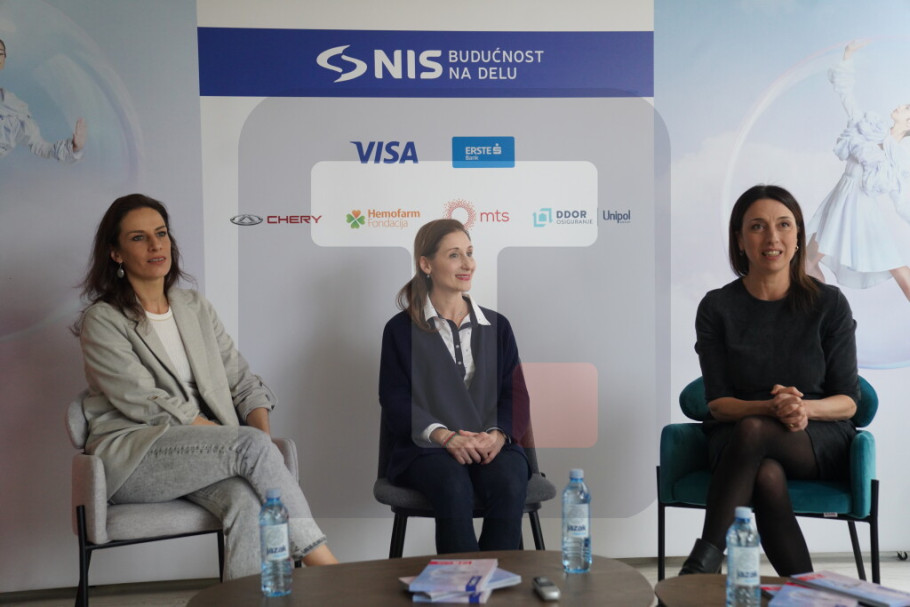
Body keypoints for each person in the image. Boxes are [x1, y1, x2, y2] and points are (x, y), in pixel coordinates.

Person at [73, 194, 336, 580]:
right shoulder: (103, 320)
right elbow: (148, 403)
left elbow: (242, 381)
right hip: (134, 459)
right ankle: (328, 570)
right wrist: (240, 443)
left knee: (247, 501)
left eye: (161, 233)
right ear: (115, 253)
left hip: (201, 454)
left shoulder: (194, 306)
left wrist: (260, 444)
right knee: (249, 447)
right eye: (138, 238)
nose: (155, 245)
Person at [680, 184, 859, 577]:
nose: (772, 237)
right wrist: (771, 407)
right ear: (740, 240)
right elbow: (718, 404)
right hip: (736, 436)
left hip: (816, 437)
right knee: (764, 470)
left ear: (798, 236)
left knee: (756, 431)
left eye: (784, 225)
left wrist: (801, 408)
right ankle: (808, 592)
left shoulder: (829, 303)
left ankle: (700, 568)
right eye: (757, 226)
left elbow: (848, 400)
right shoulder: (717, 307)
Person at [379, 219, 531, 554]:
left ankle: (495, 577)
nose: (467, 264)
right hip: (427, 449)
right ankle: (463, 581)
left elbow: (516, 395)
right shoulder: (400, 330)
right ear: (426, 264)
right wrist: (445, 436)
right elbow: (395, 399)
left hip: (491, 442)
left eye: (470, 253)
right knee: (452, 484)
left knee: (509, 481)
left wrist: (497, 435)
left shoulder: (498, 326)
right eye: (454, 255)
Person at [806, 39, 910, 301]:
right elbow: (847, 96)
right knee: (806, 264)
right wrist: (848, 55)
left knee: (897, 267)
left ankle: (825, 312)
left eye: (906, 108)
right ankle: (824, 312)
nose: (900, 106)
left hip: (859, 208)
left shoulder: (899, 158)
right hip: (840, 198)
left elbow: (901, 199)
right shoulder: (868, 127)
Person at [0, 37, 86, 162]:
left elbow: (40, 146)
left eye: (0, 53)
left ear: (3, 60)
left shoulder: (14, 110)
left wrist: (73, 148)